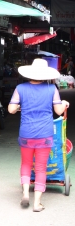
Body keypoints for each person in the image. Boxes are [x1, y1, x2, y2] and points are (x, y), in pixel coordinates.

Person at [8, 59, 69, 212]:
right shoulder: (51, 89)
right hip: (45, 135)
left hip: (26, 134)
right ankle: (37, 204)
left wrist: (21, 105)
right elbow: (59, 111)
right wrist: (65, 103)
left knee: (26, 164)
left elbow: (11, 109)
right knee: (41, 168)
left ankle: (25, 193)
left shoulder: (20, 88)